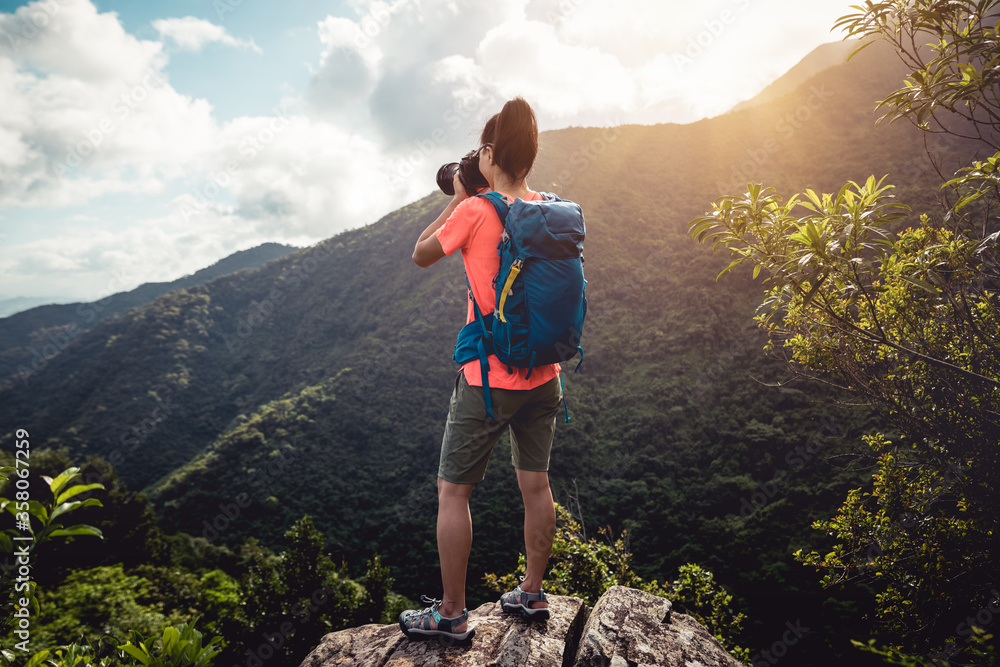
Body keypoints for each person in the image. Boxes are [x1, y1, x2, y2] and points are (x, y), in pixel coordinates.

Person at [399, 97, 563, 642]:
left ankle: (450, 614)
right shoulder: (549, 209)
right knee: (536, 486)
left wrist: (460, 199)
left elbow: (421, 253)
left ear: (489, 153)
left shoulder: (475, 210)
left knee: (454, 493)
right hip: (546, 374)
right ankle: (533, 593)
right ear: (531, 156)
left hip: (488, 381)